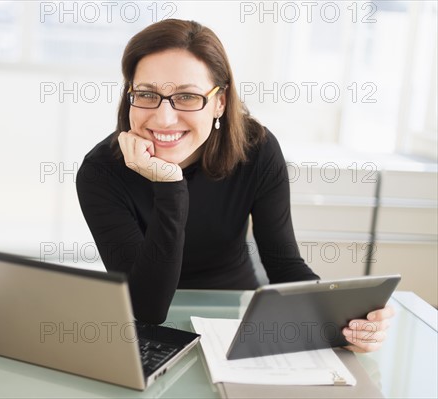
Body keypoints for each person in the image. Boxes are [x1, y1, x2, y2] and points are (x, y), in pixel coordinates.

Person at [76, 19, 393, 353]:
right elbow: (149, 310)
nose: (164, 117)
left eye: (187, 96)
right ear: (130, 96)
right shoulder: (101, 172)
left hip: (237, 319)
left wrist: (344, 324)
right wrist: (170, 184)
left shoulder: (256, 150)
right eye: (147, 94)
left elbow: (285, 265)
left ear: (220, 102)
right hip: (149, 332)